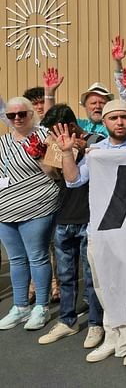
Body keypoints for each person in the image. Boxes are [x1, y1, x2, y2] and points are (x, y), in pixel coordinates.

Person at [58, 99, 126, 367]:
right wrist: (67, 153)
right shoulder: (96, 150)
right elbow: (73, 180)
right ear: (106, 122)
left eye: (124, 117)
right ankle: (114, 334)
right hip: (101, 230)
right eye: (114, 118)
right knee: (105, 284)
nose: (120, 122)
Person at [36, 105, 105, 350]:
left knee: (91, 277)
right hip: (63, 217)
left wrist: (85, 148)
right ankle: (67, 320)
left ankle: (96, 323)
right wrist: (44, 153)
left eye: (56, 131)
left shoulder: (98, 141)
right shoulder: (56, 144)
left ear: (71, 125)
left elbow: (99, 168)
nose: (55, 137)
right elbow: (53, 176)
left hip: (89, 217)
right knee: (65, 276)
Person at [0, 97, 61, 331]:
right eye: (11, 115)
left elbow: (56, 174)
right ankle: (20, 306)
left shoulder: (45, 136)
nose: (17, 119)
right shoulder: (3, 141)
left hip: (37, 205)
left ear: (31, 114)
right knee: (16, 260)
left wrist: (40, 155)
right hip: (5, 208)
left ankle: (42, 307)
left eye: (22, 114)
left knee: (37, 256)